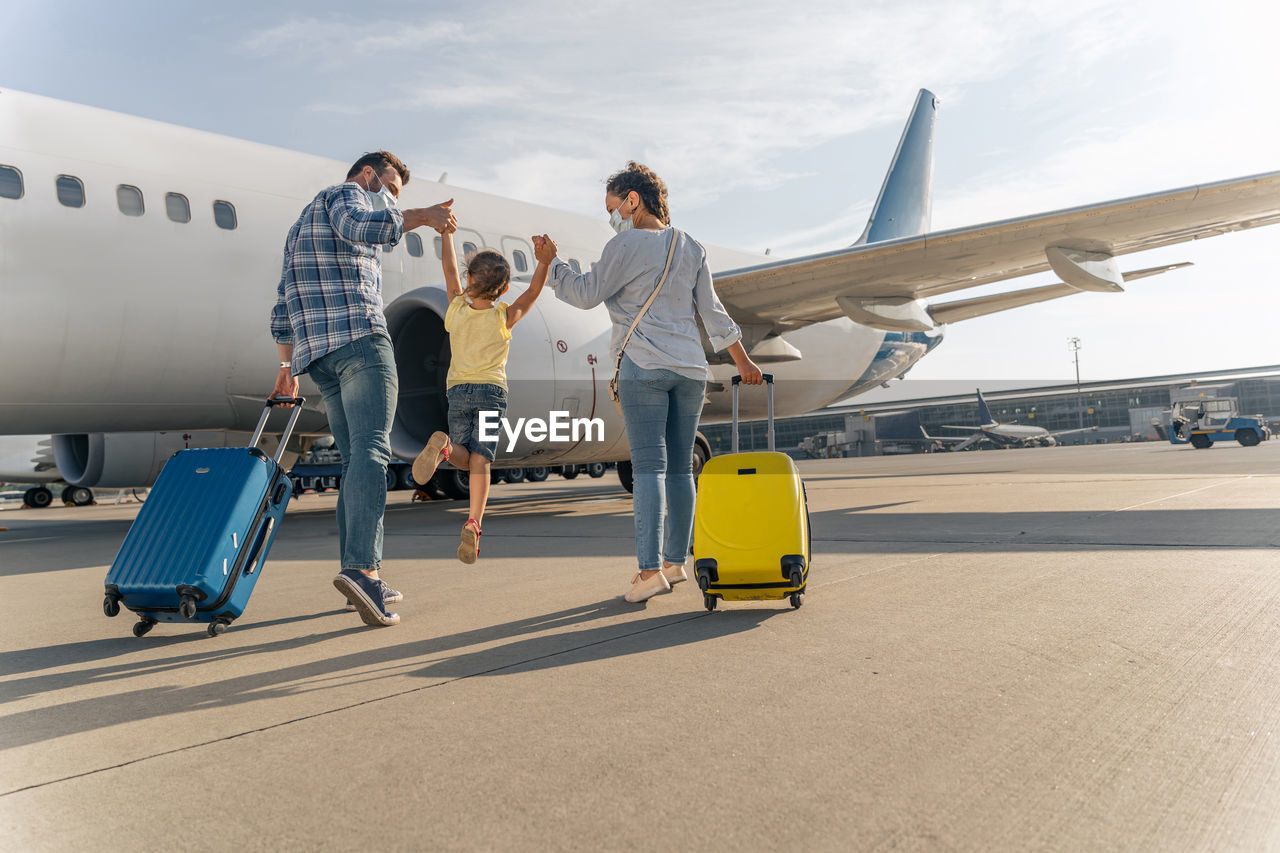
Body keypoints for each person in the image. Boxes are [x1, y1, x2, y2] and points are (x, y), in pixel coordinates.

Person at [533, 161, 763, 603]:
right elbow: (712, 312)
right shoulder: (690, 246)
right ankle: (676, 563)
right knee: (680, 470)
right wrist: (743, 361)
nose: (611, 217)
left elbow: (583, 294)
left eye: (612, 207)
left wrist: (553, 263)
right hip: (692, 371)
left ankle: (648, 571)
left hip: (644, 367)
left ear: (632, 201)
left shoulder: (626, 245)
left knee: (650, 469)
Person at [270, 150, 456, 627]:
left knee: (356, 461)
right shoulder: (347, 195)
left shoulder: (299, 228)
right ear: (370, 175)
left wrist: (286, 366)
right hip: (360, 342)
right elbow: (362, 227)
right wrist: (423, 217)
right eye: (391, 189)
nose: (392, 200)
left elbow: (282, 301)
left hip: (320, 359)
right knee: (374, 454)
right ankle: (363, 569)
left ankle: (358, 569)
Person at [411, 230, 548, 563]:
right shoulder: (503, 317)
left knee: (462, 455)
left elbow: (448, 270)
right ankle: (474, 521)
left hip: (457, 391)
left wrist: (446, 234)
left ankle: (444, 448)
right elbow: (531, 292)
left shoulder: (456, 310)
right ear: (502, 289)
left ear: (469, 278)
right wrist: (544, 261)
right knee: (481, 460)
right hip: (491, 393)